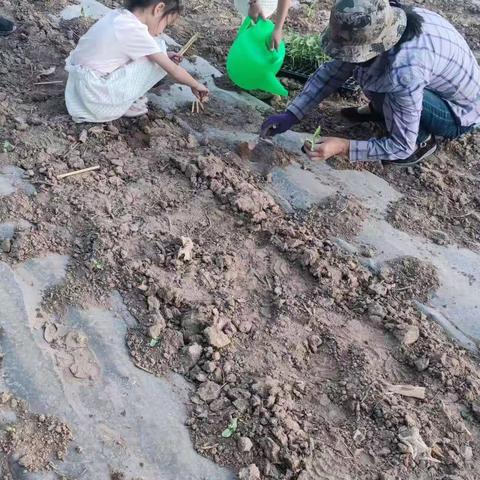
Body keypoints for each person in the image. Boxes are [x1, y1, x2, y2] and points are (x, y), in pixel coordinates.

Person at [261, 0, 480, 166]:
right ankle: (383, 111)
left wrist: (344, 146)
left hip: (456, 113)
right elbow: (332, 73)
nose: (349, 57)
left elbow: (400, 146)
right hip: (432, 82)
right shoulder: (384, 22)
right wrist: (293, 113)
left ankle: (422, 142)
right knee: (369, 73)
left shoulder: (405, 70)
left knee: (386, 82)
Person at [64, 0, 209, 123]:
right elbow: (173, 70)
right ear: (159, 9)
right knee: (158, 51)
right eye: (166, 24)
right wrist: (195, 85)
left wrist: (165, 55)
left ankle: (118, 100)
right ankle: (119, 105)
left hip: (77, 89)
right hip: (96, 99)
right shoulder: (135, 31)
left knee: (155, 51)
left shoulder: (118, 16)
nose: (162, 32)